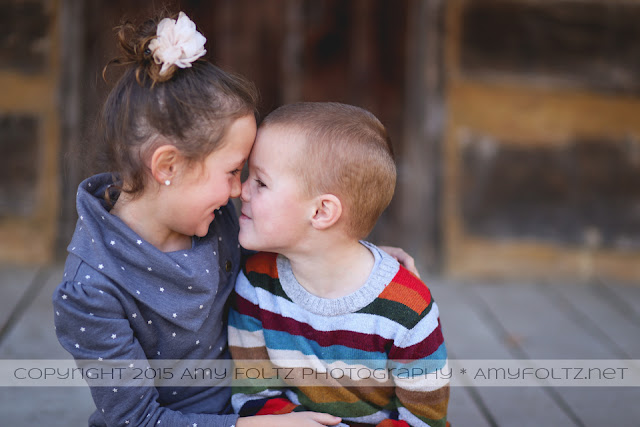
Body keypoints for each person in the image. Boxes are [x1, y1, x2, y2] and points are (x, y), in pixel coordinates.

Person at [52, 11, 415, 427]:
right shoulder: (90, 291)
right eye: (232, 172)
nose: (239, 190)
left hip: (258, 401)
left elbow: (287, 249)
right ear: (168, 166)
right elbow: (136, 420)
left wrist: (348, 257)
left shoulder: (217, 220)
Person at [228, 102, 450, 427]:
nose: (241, 190)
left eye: (260, 182)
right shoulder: (257, 284)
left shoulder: (406, 309)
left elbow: (425, 419)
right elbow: (254, 394)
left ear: (320, 212)